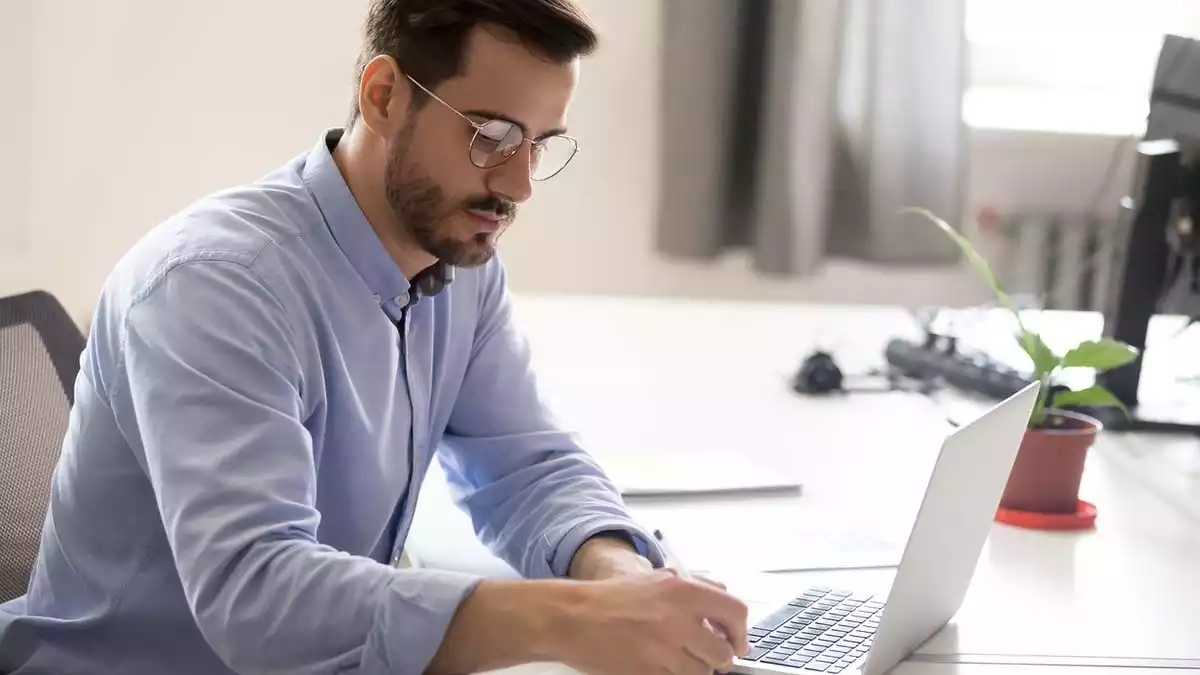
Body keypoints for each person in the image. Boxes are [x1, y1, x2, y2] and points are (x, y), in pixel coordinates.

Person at [0, 1, 752, 674]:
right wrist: (571, 619)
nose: (518, 185)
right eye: (492, 136)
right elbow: (258, 596)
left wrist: (616, 574)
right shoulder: (216, 284)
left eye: (539, 144)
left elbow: (527, 465)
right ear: (384, 95)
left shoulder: (459, 259)